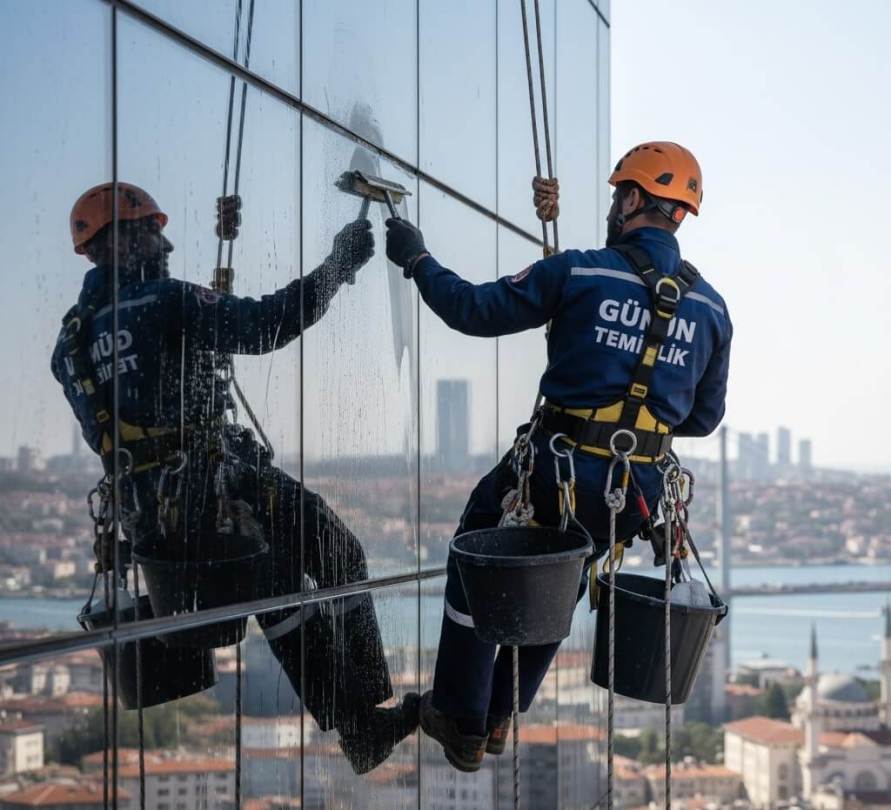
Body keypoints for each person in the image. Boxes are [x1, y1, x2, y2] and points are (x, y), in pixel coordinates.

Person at [385, 142, 732, 771]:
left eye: (617, 196)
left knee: (477, 557)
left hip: (556, 468)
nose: (612, 207)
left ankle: (462, 717)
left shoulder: (581, 273)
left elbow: (470, 309)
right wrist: (640, 409)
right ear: (680, 215)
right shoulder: (711, 308)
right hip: (633, 491)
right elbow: (702, 419)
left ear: (632, 199)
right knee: (560, 583)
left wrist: (416, 258)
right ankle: (497, 716)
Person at [52, 182, 419, 774]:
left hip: (156, 517)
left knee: (283, 593)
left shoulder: (70, 343)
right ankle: (366, 717)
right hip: (215, 487)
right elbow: (266, 324)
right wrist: (339, 265)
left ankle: (364, 724)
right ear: (118, 242)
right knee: (335, 556)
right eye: (151, 233)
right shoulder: (166, 302)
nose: (166, 245)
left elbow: (132, 410)